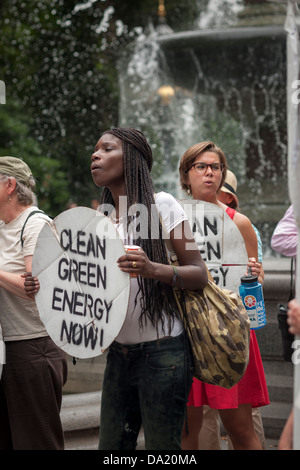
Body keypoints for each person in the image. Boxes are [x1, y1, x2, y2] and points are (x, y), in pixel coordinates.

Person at [90, 127, 208, 450]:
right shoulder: (102, 220)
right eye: (95, 150)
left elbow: (199, 274)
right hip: (118, 356)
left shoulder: (162, 206)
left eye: (107, 149)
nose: (95, 155)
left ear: (131, 157)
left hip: (163, 354)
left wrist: (152, 269)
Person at [179, 141, 269, 450]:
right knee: (186, 434)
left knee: (240, 431)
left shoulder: (239, 222)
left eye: (215, 167)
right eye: (201, 167)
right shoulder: (170, 219)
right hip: (186, 333)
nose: (209, 173)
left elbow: (252, 285)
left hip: (229, 333)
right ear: (186, 174)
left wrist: (255, 278)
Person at [0, 156, 68, 450]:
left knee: (37, 443)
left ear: (9, 185)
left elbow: (36, 290)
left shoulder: (36, 224)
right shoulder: (3, 226)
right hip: (8, 348)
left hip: (34, 348)